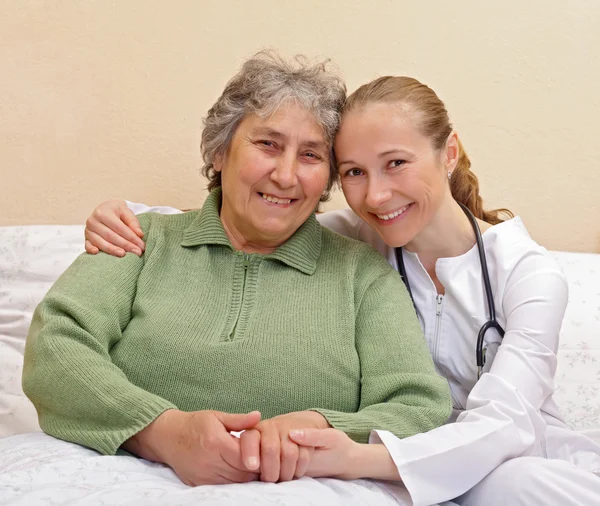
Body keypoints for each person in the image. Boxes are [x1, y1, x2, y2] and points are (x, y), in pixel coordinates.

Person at [87, 74, 600, 505]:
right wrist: (128, 215)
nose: (376, 195)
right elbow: (246, 219)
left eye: (396, 163)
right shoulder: (357, 239)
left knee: (515, 485)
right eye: (354, 172)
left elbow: (505, 424)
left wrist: (355, 456)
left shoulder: (528, 273)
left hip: (514, 459)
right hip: (407, 461)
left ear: (449, 152)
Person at [22, 53, 452, 490]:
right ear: (219, 150)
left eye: (310, 155)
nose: (286, 175)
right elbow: (56, 346)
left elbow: (417, 405)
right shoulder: (139, 238)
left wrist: (317, 427)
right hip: (115, 474)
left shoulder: (362, 273)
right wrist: (162, 432)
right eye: (268, 144)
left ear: (327, 179)